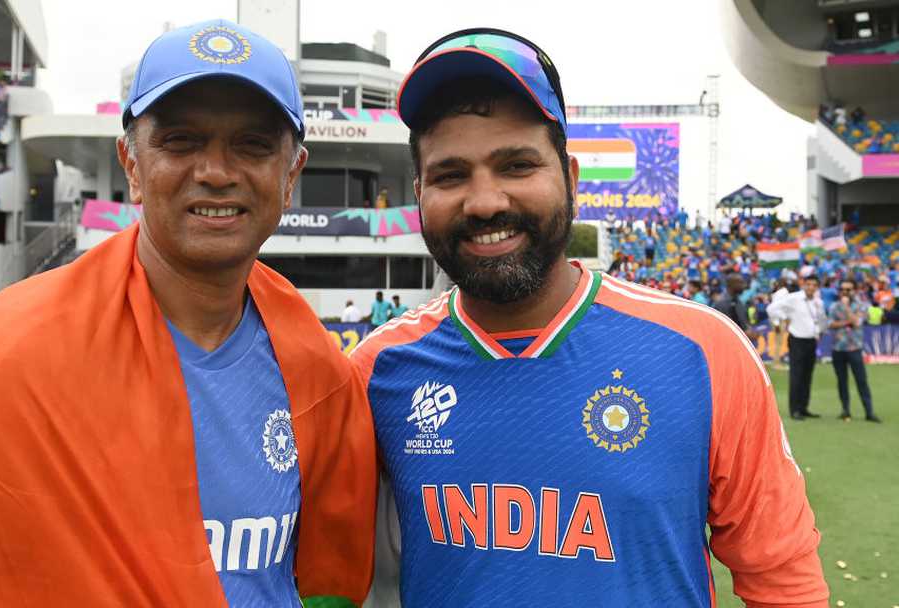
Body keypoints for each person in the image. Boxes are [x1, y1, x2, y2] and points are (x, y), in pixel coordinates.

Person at [0, 20, 376, 606]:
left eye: (253, 145)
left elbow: (328, 578)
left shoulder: (319, 370)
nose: (216, 171)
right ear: (131, 165)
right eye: (181, 141)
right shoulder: (8, 352)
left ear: (291, 176)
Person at [351, 28, 827, 606]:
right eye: (451, 176)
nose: (485, 202)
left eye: (517, 165)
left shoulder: (702, 350)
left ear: (571, 179)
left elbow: (782, 580)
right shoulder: (375, 371)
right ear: (420, 195)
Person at [767, 274, 827, 420]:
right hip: (797, 340)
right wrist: (784, 318)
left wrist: (819, 331)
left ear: (817, 287)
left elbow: (821, 319)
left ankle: (804, 407)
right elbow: (771, 308)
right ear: (803, 284)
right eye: (808, 284)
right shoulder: (794, 298)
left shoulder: (818, 302)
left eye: (814, 285)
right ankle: (794, 409)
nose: (811, 287)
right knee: (796, 375)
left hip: (811, 340)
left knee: (807, 375)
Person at [828, 280, 880, 423]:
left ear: (855, 291)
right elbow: (830, 324)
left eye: (848, 289)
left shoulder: (861, 305)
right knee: (842, 381)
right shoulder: (834, 306)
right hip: (838, 348)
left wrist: (846, 308)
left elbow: (857, 322)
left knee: (861, 380)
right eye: (843, 289)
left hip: (855, 349)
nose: (845, 292)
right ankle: (845, 410)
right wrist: (846, 322)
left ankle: (869, 411)